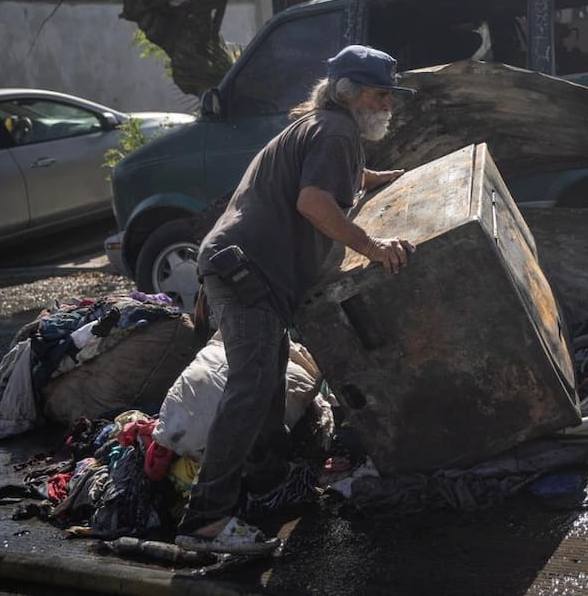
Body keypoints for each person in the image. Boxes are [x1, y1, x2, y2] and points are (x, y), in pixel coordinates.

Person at [175, 45, 417, 555]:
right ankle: (206, 519)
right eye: (380, 95)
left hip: (239, 268)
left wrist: (375, 180)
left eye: (390, 96)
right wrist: (372, 248)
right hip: (246, 273)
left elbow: (327, 179)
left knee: (267, 376)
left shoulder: (322, 127)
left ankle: (266, 483)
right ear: (350, 93)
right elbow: (312, 201)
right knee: (252, 385)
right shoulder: (337, 131)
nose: (388, 105)